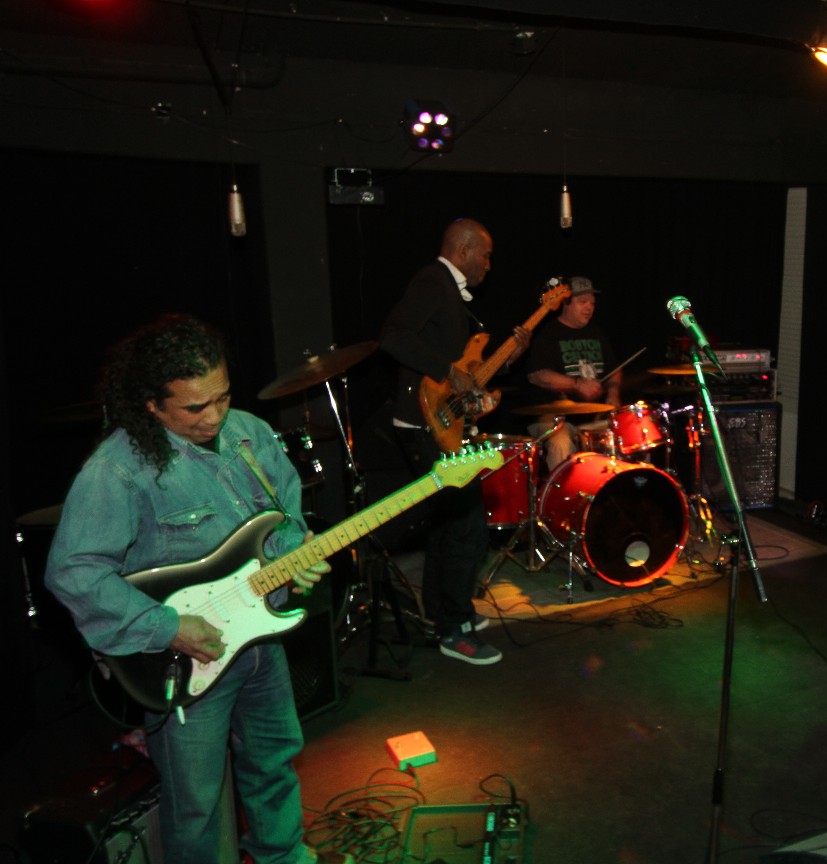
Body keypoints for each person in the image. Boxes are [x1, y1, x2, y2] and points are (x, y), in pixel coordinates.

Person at [44, 313, 344, 864]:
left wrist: (292, 555)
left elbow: (285, 516)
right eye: (194, 408)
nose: (214, 417)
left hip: (261, 638)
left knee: (274, 763)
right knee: (197, 805)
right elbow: (75, 572)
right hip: (186, 658)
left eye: (223, 397)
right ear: (151, 405)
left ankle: (283, 854)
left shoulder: (250, 433)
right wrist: (168, 627)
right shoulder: (118, 470)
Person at [379, 217, 527, 666]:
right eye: (485, 255)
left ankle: (441, 613)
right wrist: (446, 370)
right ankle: (454, 628)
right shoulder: (432, 281)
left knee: (448, 526)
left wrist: (502, 362)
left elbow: (464, 368)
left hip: (440, 422)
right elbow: (393, 337)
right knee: (467, 526)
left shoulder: (450, 292)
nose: (488, 265)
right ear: (463, 251)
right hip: (424, 424)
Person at [523, 275, 622, 471]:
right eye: (583, 302)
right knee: (560, 443)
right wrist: (576, 384)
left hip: (593, 416)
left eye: (592, 303)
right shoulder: (548, 334)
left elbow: (615, 369)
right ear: (565, 303)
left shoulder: (596, 332)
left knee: (623, 435)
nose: (589, 308)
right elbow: (537, 375)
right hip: (555, 418)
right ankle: (562, 490)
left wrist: (613, 394)